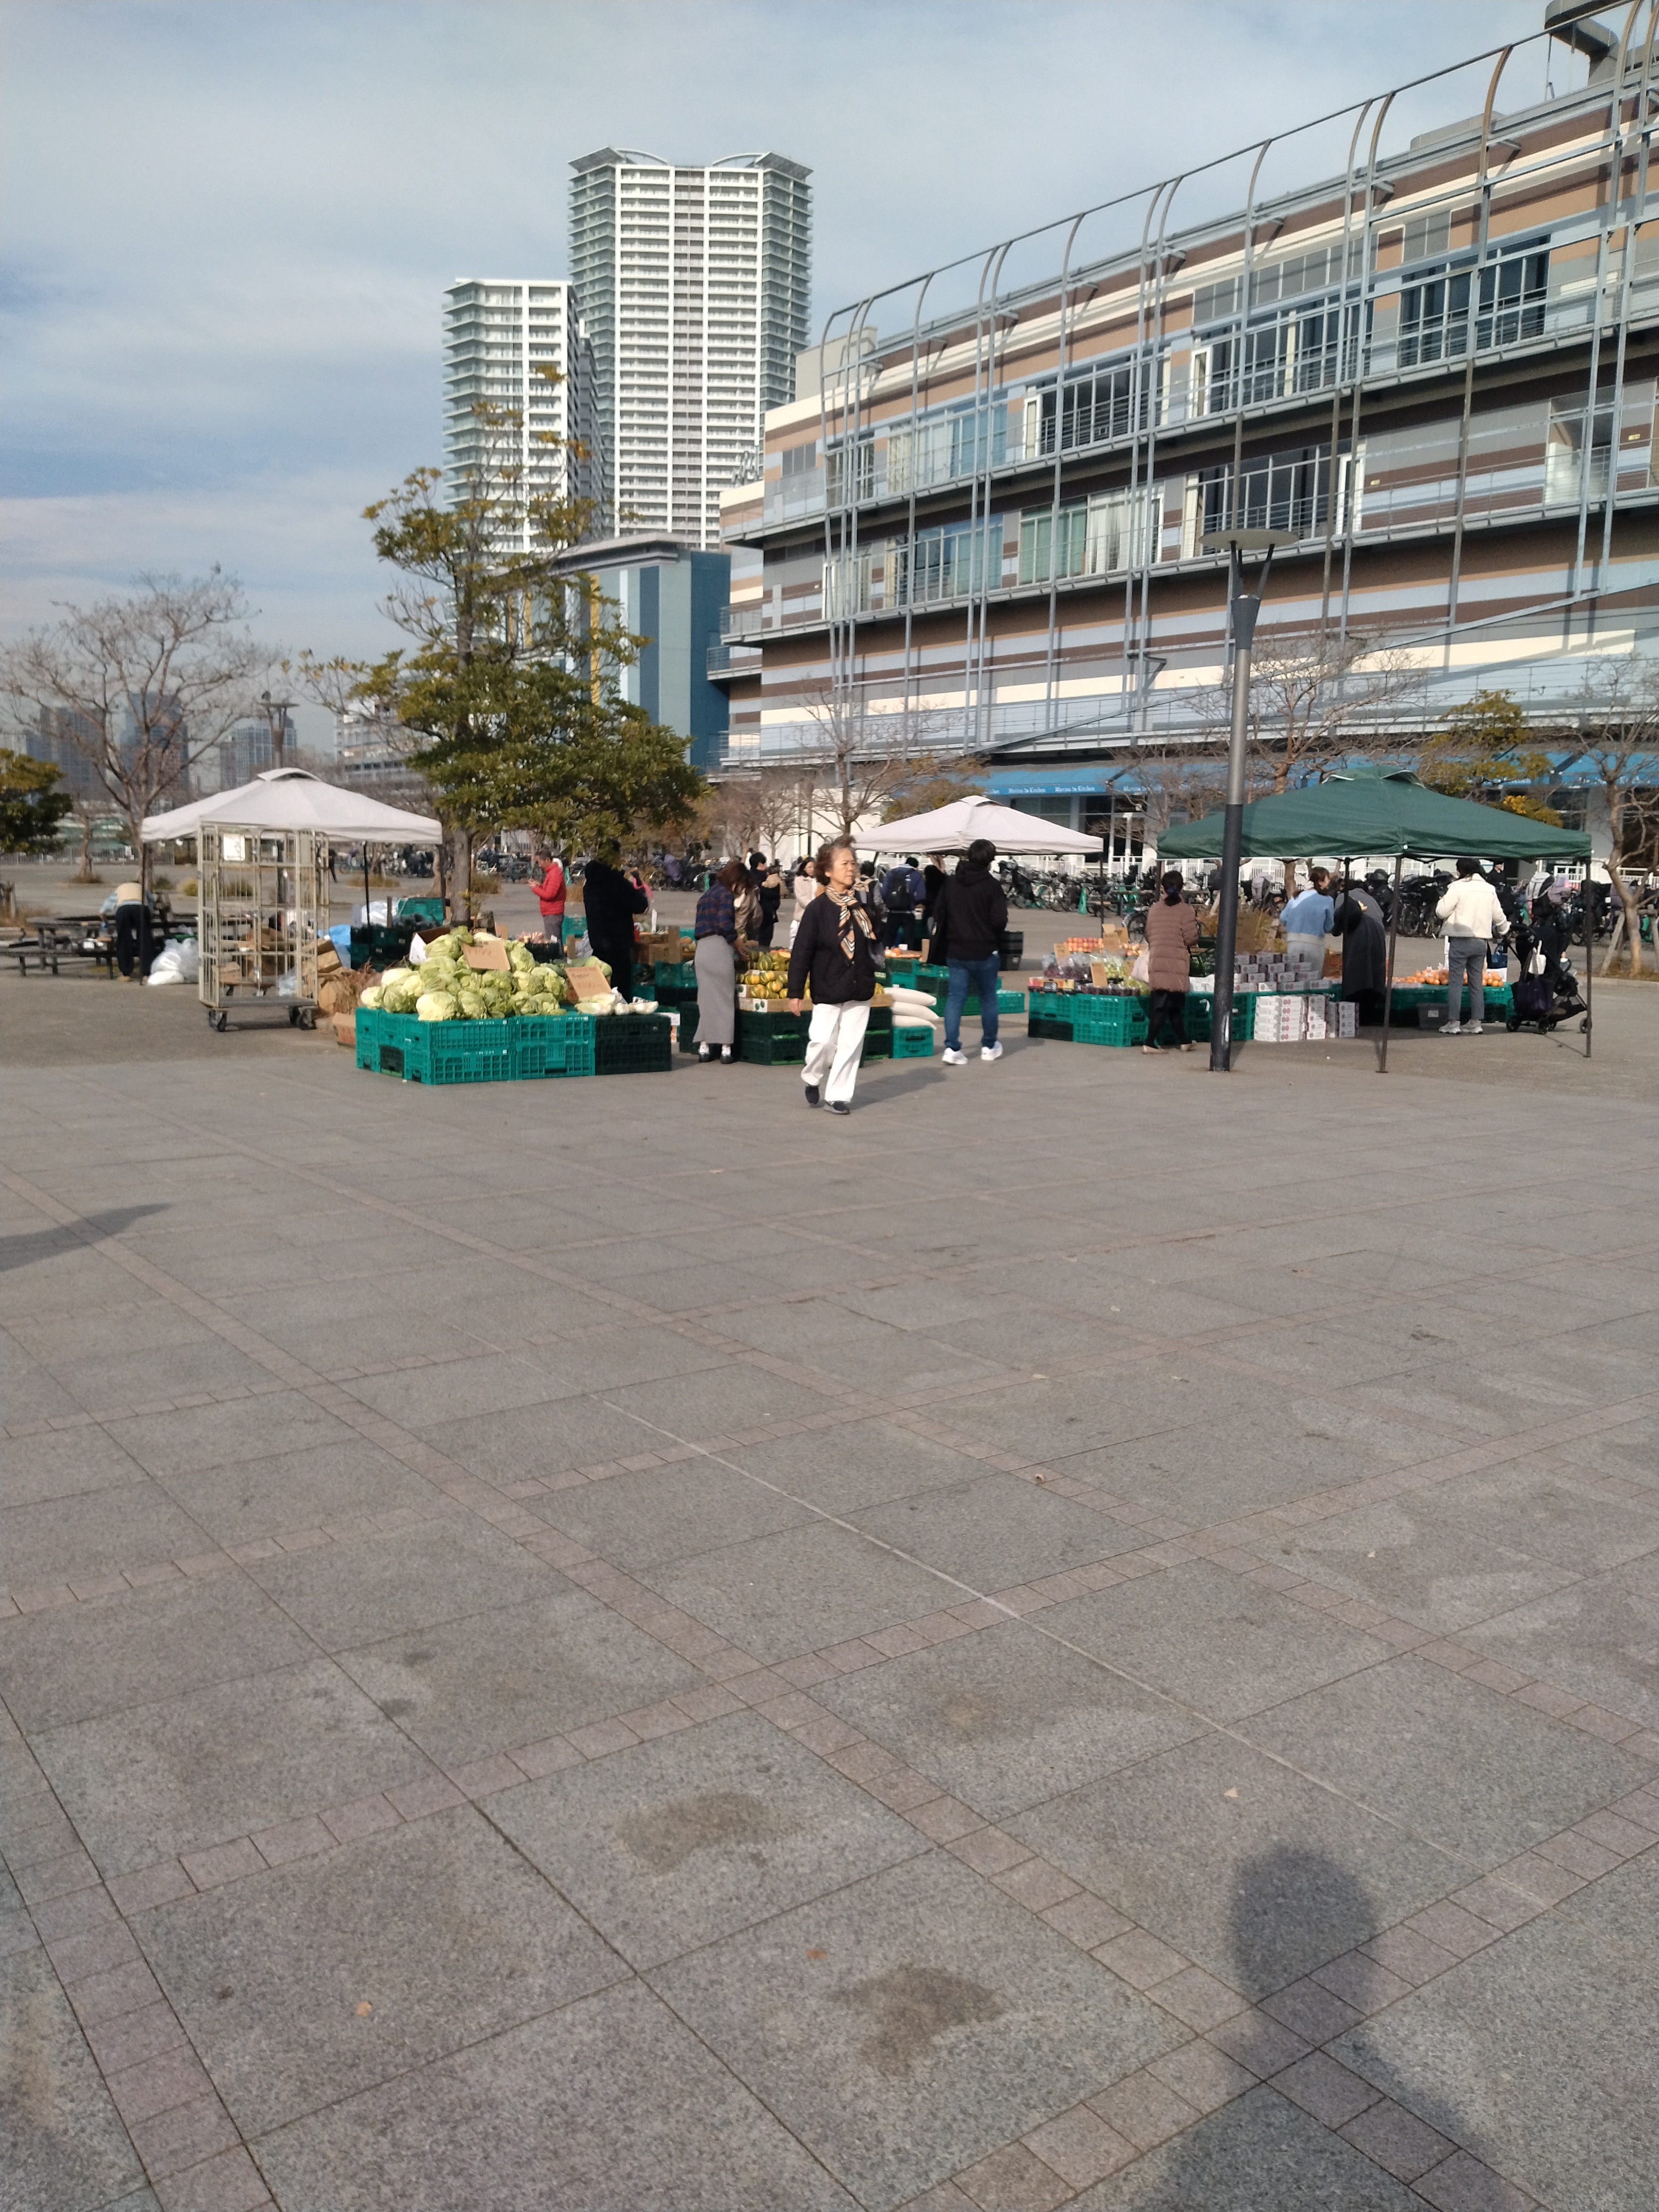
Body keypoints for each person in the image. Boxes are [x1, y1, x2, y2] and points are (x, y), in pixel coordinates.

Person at [787, 839, 877, 1115]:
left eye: (854, 863)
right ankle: (813, 1076)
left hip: (859, 984)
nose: (851, 869)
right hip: (827, 985)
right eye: (845, 864)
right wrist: (795, 992)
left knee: (850, 1045)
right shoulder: (817, 910)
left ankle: (838, 1096)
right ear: (828, 870)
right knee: (823, 1041)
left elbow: (873, 940)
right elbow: (801, 952)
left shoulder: (861, 904)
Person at [937, 840, 1009, 1066]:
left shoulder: (951, 883)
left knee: (955, 998)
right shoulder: (991, 886)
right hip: (985, 950)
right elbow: (1000, 920)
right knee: (988, 998)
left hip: (956, 950)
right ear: (990, 860)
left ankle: (952, 1048)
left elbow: (939, 912)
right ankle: (989, 1045)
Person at [1435, 854, 1508, 1036]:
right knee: (1476, 983)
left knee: (1456, 983)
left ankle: (1454, 1022)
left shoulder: (1457, 887)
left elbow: (1441, 912)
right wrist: (1505, 929)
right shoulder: (1489, 889)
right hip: (1481, 942)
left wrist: (1442, 899)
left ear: (1462, 870)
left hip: (1461, 940)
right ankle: (1476, 1022)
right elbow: (1499, 916)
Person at [581, 845, 649, 1003]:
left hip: (598, 943)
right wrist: (637, 888)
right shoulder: (615, 882)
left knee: (601, 995)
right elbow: (640, 905)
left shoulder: (590, 884)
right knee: (620, 995)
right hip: (618, 944)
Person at [693, 860, 745, 1063]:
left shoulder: (706, 896)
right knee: (725, 998)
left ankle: (704, 1048)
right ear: (737, 881)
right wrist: (738, 942)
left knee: (705, 1000)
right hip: (718, 949)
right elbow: (725, 924)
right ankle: (725, 1049)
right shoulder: (725, 895)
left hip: (702, 949)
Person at [1142, 869, 1199, 1052]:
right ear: (1182, 888)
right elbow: (1191, 939)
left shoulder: (1154, 909)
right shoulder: (1186, 910)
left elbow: (1148, 934)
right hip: (1176, 962)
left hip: (1158, 959)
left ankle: (1185, 1041)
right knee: (1164, 1004)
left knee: (1171, 1003)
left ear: (1162, 888)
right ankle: (1149, 1043)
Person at [1330, 872, 1388, 1025]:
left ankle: (1353, 1014)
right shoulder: (1370, 898)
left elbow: (1339, 918)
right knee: (1374, 972)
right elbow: (1381, 914)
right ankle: (1369, 1013)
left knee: (1357, 972)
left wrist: (1336, 931)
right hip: (1378, 935)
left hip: (1359, 935)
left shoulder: (1345, 897)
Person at [1279, 866, 1335, 969]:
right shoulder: (1327, 901)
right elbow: (1329, 926)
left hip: (1294, 942)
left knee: (1293, 977)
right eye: (1328, 879)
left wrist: (1295, 925)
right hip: (1315, 944)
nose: (1329, 882)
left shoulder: (1297, 897)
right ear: (1320, 882)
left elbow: (1283, 917)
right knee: (1313, 979)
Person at [112, 878, 155, 981]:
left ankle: (126, 974)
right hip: (141, 908)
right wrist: (151, 911)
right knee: (145, 940)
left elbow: (106, 906)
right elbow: (151, 899)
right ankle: (147, 973)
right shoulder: (142, 888)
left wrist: (104, 919)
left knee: (124, 940)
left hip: (123, 910)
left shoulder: (120, 888)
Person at [881, 855, 925, 948]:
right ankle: (908, 959)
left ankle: (885, 958)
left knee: (889, 939)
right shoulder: (917, 875)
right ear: (916, 866)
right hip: (908, 913)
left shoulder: (892, 873)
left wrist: (890, 902)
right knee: (909, 940)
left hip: (892, 912)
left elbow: (884, 892)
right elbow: (921, 895)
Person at [530, 847, 566, 941]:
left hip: (553, 913)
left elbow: (549, 895)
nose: (539, 865)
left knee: (554, 942)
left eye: (540, 862)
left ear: (547, 860)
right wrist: (540, 886)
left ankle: (558, 956)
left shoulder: (555, 874)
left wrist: (535, 888)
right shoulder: (552, 873)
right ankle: (558, 955)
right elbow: (550, 889)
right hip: (551, 913)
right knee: (554, 940)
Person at [789, 854, 819, 946]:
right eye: (809, 867)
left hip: (817, 916)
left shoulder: (818, 880)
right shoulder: (799, 880)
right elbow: (801, 898)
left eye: (814, 867)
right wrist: (814, 907)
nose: (812, 869)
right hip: (803, 916)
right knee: (799, 943)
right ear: (804, 868)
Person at [756, 857, 783, 950]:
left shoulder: (759, 879)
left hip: (761, 913)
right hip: (768, 913)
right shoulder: (765, 879)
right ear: (760, 864)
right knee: (765, 939)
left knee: (759, 940)